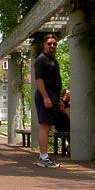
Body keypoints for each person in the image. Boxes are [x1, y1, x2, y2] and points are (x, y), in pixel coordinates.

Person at [33, 34, 62, 167]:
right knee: (44, 125)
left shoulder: (53, 60)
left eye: (54, 44)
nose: (52, 46)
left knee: (48, 125)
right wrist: (45, 97)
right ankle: (43, 157)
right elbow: (39, 79)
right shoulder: (41, 60)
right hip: (46, 94)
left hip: (53, 95)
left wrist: (59, 98)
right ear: (44, 44)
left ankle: (44, 156)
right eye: (49, 43)